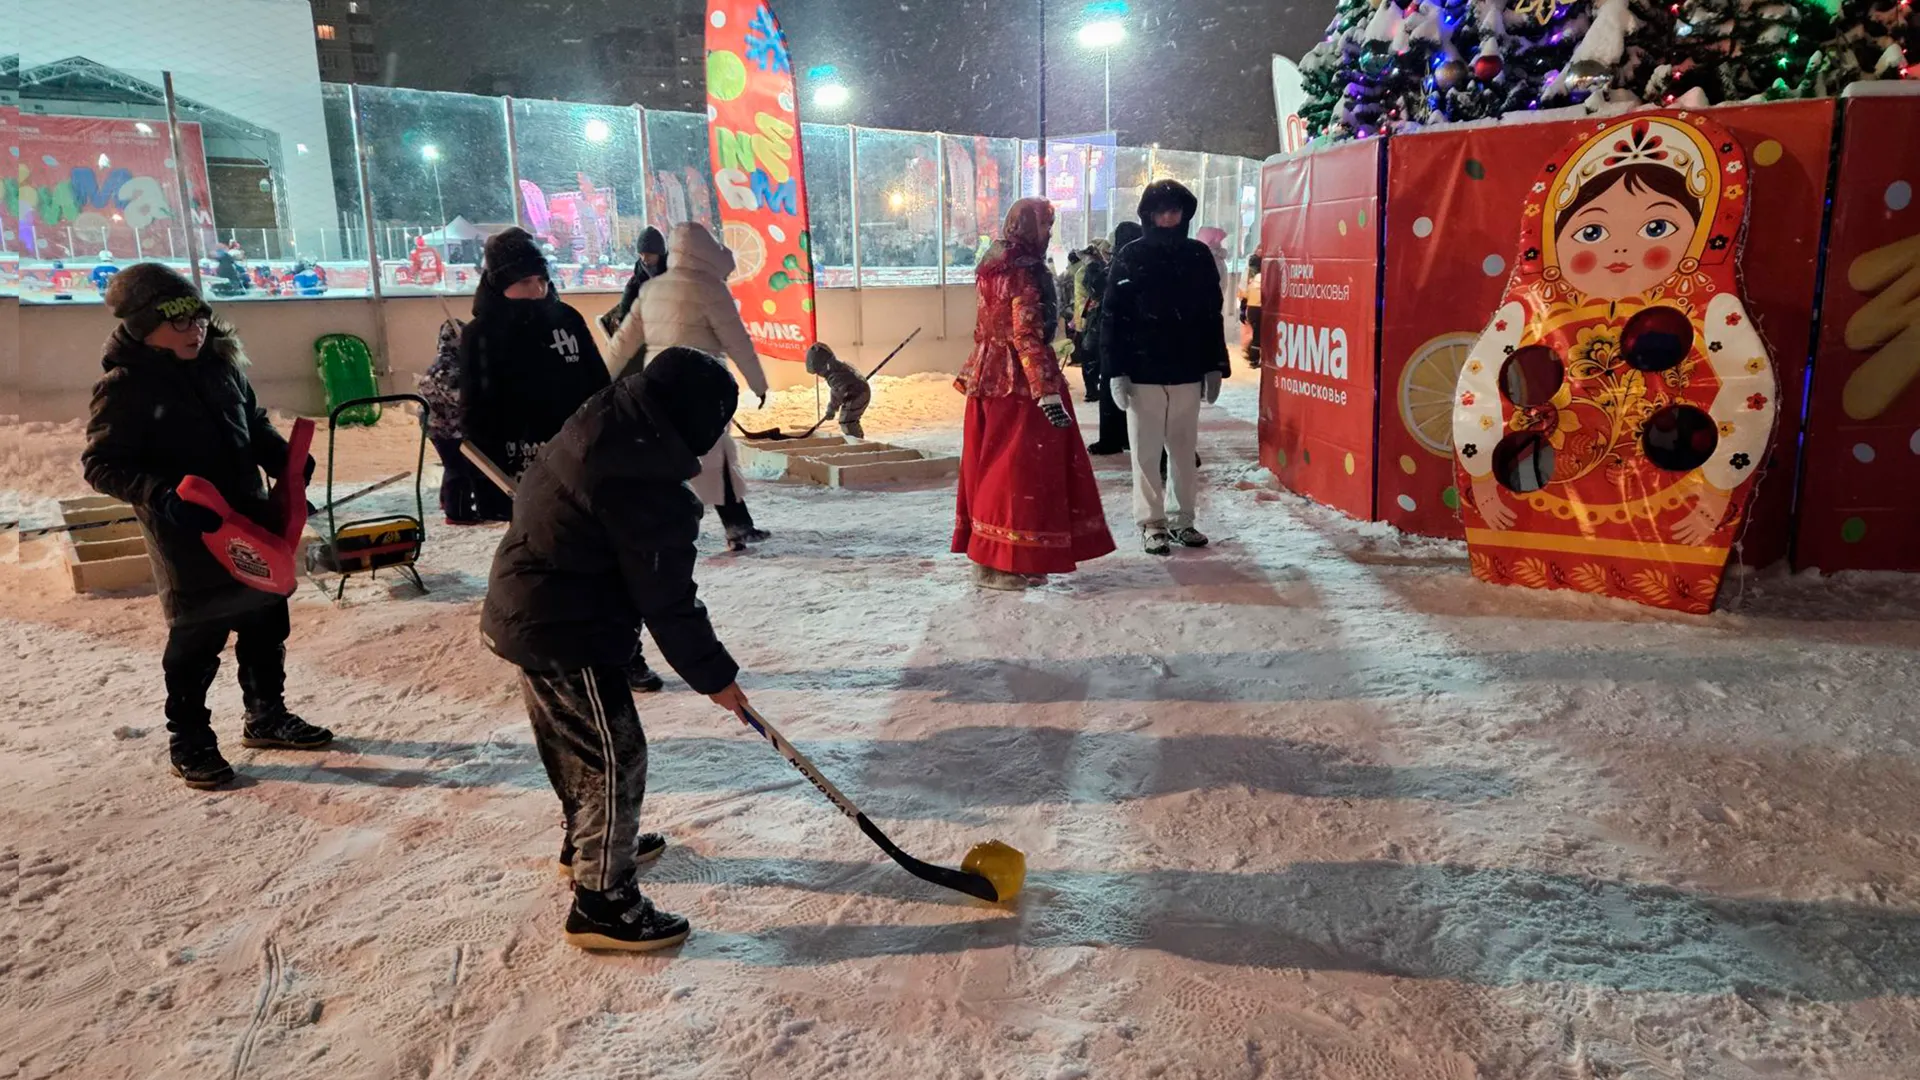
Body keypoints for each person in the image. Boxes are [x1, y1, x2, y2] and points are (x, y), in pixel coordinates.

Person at [481, 347, 753, 952]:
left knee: (578, 746)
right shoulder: (642, 485)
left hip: (535, 610)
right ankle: (603, 901)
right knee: (613, 757)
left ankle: (590, 843)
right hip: (564, 628)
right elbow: (667, 600)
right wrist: (714, 676)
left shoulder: (610, 420)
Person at [81, 264, 333, 790]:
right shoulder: (125, 387)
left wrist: (280, 456)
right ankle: (190, 739)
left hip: (250, 518)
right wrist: (166, 498)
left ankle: (266, 714)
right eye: (178, 323)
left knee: (266, 619)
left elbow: (252, 421)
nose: (194, 330)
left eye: (199, 318)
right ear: (145, 327)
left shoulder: (221, 366)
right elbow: (102, 464)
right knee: (197, 640)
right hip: (187, 535)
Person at [953, 199, 1115, 590]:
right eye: (1045, 225)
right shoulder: (1026, 272)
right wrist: (1046, 390)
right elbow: (1025, 333)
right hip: (1019, 385)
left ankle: (995, 558)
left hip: (988, 378)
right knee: (1015, 476)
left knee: (988, 468)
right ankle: (1003, 562)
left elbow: (989, 328)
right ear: (1028, 227)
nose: (1048, 234)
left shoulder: (992, 266)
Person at [607, 222, 772, 553]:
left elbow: (623, 341)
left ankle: (669, 529)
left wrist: (601, 379)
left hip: (658, 383)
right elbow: (737, 341)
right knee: (715, 452)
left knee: (668, 456)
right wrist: (758, 383)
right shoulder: (710, 289)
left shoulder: (651, 290)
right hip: (703, 385)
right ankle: (734, 526)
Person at [1101, 180, 1229, 556]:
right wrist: (1116, 370)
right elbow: (1114, 317)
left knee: (1184, 449)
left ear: (1184, 213)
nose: (1169, 217)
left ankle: (1182, 518)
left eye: (1175, 210)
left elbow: (1211, 314)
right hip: (1142, 371)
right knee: (1145, 451)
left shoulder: (1197, 256)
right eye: (1162, 211)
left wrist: (1214, 365)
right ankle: (1152, 522)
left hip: (1187, 368)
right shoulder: (1131, 255)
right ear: (1149, 215)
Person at [1084, 221, 1141, 456]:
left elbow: (1100, 290)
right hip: (1138, 338)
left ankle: (1113, 438)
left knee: (1111, 386)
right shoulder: (1144, 259)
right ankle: (1129, 436)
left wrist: (1092, 270)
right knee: (1136, 391)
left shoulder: (1119, 263)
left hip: (1116, 335)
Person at [599, 225, 667, 346]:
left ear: (660, 253)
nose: (644, 259)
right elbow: (626, 308)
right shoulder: (636, 281)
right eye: (641, 254)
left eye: (649, 254)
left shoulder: (675, 273)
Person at [1070, 239, 1112, 404]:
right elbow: (1095, 291)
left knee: (1090, 352)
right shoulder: (1091, 269)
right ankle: (1092, 389)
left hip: (1088, 316)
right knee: (1091, 352)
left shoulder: (1090, 269)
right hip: (1090, 316)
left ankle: (1092, 387)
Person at [805, 342, 872, 439]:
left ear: (823, 366)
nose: (819, 374)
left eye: (818, 371)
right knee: (849, 420)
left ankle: (858, 442)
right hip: (855, 391)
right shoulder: (837, 368)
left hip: (858, 395)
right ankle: (857, 439)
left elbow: (837, 394)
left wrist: (831, 409)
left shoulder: (835, 376)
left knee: (847, 421)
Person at [1240, 255, 1264, 370]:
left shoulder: (1253, 279)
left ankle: (1251, 355)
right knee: (1259, 336)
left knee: (1256, 334)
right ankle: (1254, 359)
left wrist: (1242, 310)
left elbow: (1245, 296)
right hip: (1260, 309)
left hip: (1251, 309)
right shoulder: (1264, 278)